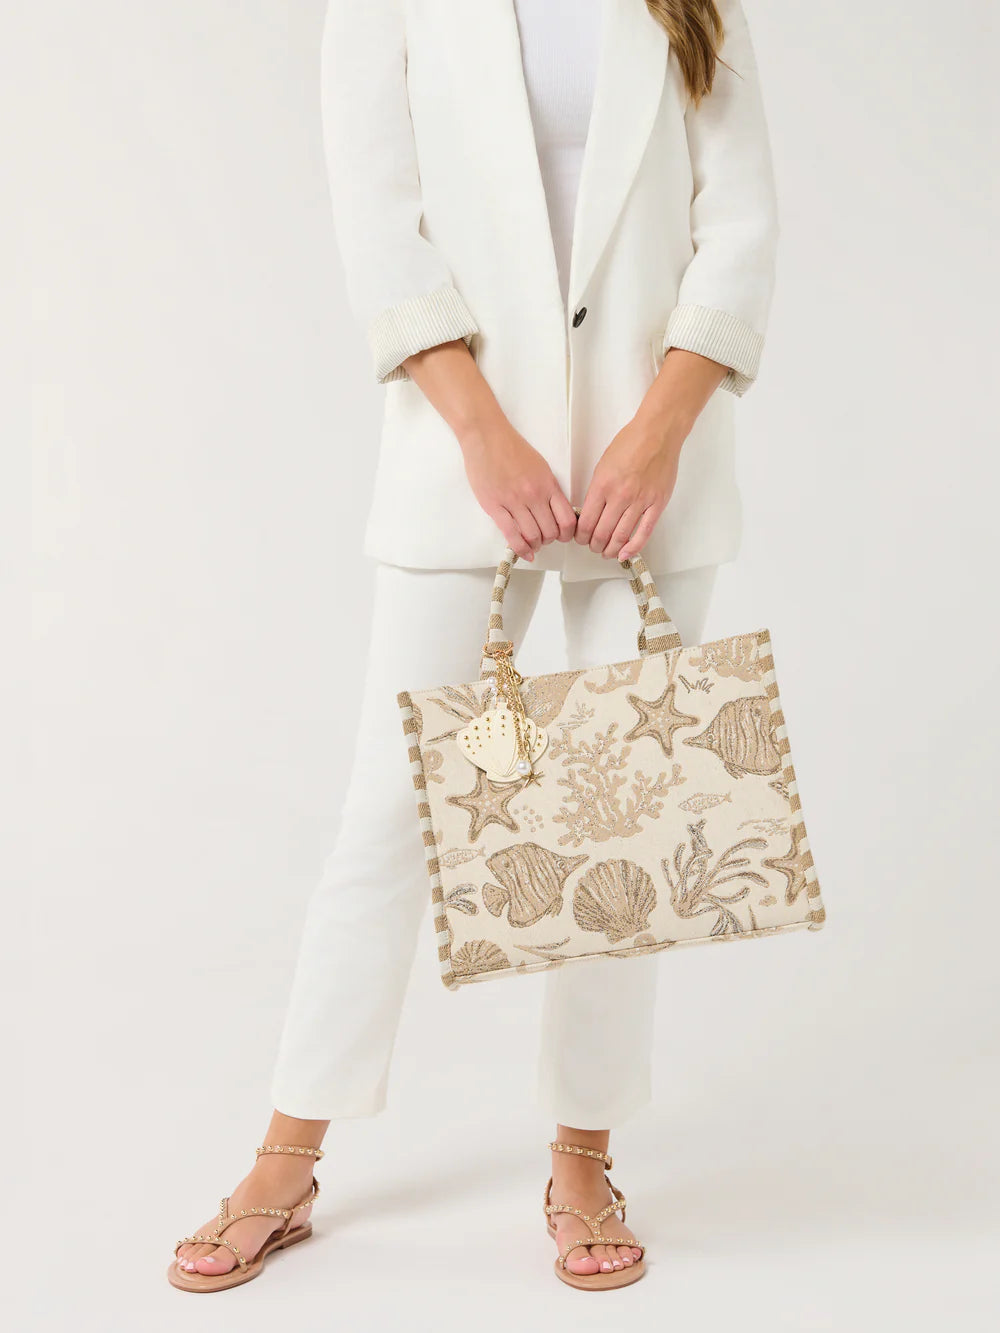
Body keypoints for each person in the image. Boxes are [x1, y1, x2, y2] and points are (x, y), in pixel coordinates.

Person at [169, 0, 778, 1293]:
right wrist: (486, 436)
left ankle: (583, 1157)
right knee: (391, 811)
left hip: (651, 475)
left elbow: (740, 223)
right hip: (464, 463)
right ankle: (286, 1156)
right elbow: (382, 228)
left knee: (620, 827)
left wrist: (657, 433)